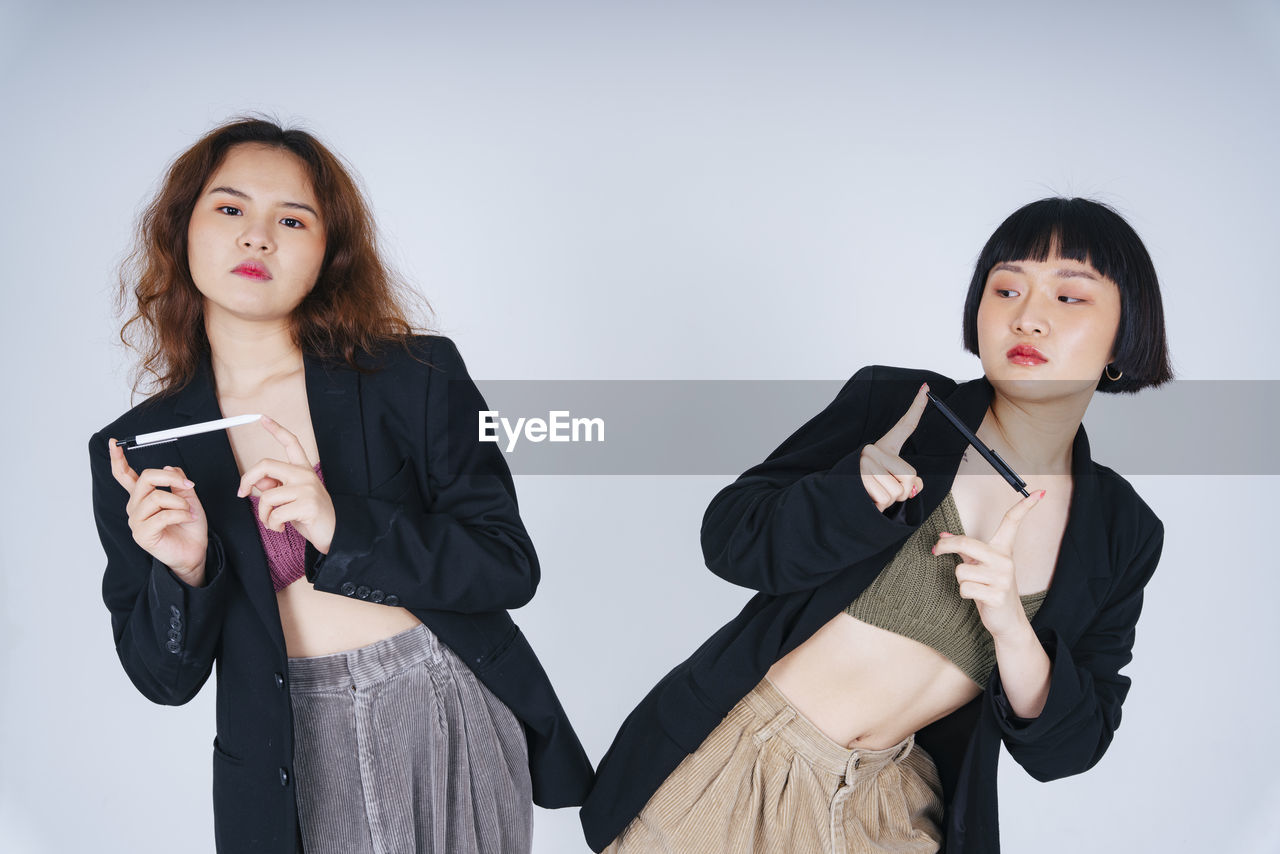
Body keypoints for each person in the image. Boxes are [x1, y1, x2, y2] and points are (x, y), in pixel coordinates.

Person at [580, 197, 1172, 853]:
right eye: (1006, 288)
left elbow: (1071, 746)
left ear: (1123, 334)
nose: (1027, 317)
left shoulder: (1121, 532)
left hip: (889, 807)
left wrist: (1011, 628)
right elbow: (731, 538)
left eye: (1069, 298)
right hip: (742, 773)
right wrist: (848, 498)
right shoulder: (904, 409)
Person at [87, 116, 593, 854]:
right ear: (181, 230)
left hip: (444, 699)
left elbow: (506, 564)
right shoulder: (137, 448)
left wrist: (339, 525)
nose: (258, 237)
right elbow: (162, 678)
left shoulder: (413, 377)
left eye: (292, 219)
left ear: (328, 251)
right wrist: (186, 571)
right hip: (289, 745)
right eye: (229, 209)